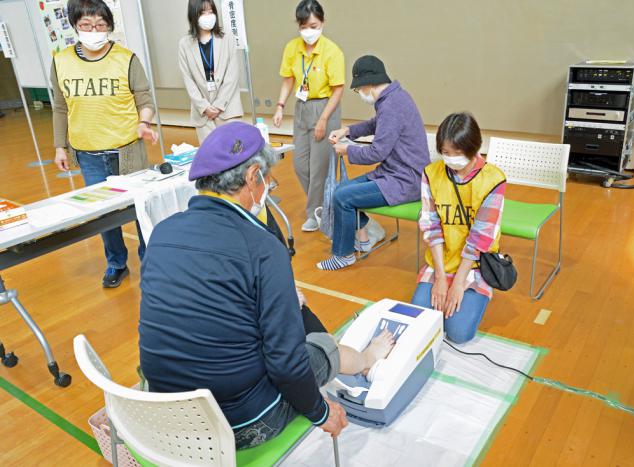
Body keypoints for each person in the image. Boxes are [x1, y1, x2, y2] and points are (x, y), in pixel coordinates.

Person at [139, 122, 395, 449]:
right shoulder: (262, 248)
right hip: (238, 425)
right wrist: (320, 413)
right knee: (319, 348)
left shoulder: (162, 232)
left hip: (164, 414)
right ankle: (368, 357)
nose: (268, 187)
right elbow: (287, 365)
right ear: (252, 176)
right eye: (269, 180)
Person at [53, 0, 158, 288]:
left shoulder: (126, 58)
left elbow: (145, 100)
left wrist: (144, 123)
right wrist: (60, 146)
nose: (93, 31)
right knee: (104, 214)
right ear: (75, 26)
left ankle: (150, 263)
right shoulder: (61, 60)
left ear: (109, 26)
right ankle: (116, 263)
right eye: (86, 25)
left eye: (100, 25)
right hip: (88, 152)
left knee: (140, 208)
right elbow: (60, 107)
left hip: (127, 148)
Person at [317, 56, 430, 270]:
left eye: (357, 89)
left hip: (405, 180)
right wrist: (347, 131)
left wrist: (347, 149)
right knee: (342, 189)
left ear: (366, 84)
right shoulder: (393, 98)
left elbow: (377, 152)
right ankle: (366, 237)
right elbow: (374, 124)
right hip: (394, 173)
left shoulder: (391, 106)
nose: (359, 93)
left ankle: (344, 254)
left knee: (342, 196)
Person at [410, 113, 506, 343]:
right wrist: (441, 278)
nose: (451, 159)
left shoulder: (493, 179)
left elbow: (480, 239)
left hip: (473, 264)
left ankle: (478, 296)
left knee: (459, 333)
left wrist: (459, 283)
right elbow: (431, 228)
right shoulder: (431, 174)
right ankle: (445, 285)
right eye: (445, 153)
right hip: (442, 262)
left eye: (457, 153)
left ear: (474, 148)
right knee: (420, 324)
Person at [273, 0, 344, 232]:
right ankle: (323, 205)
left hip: (325, 107)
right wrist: (280, 106)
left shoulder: (332, 51)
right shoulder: (292, 48)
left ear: (322, 23)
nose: (308, 31)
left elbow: (338, 89)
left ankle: (315, 213)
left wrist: (323, 119)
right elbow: (288, 79)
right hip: (302, 107)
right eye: (304, 26)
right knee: (300, 164)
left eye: (313, 25)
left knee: (320, 166)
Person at [178, 0, 242, 144]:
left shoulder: (227, 39)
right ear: (193, 16)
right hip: (203, 115)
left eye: (211, 11)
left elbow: (232, 75)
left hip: (228, 110)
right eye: (202, 12)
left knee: (234, 156)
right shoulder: (184, 44)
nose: (208, 16)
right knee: (211, 159)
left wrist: (218, 105)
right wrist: (204, 107)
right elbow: (188, 80)